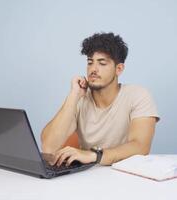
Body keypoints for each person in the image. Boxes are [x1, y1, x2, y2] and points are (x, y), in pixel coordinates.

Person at [41, 32, 159, 167]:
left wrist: (94, 155)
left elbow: (140, 147)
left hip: (127, 175)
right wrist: (73, 95)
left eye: (102, 63)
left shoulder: (138, 95)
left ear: (119, 69)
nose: (93, 69)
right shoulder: (79, 98)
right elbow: (48, 147)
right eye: (90, 63)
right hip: (89, 176)